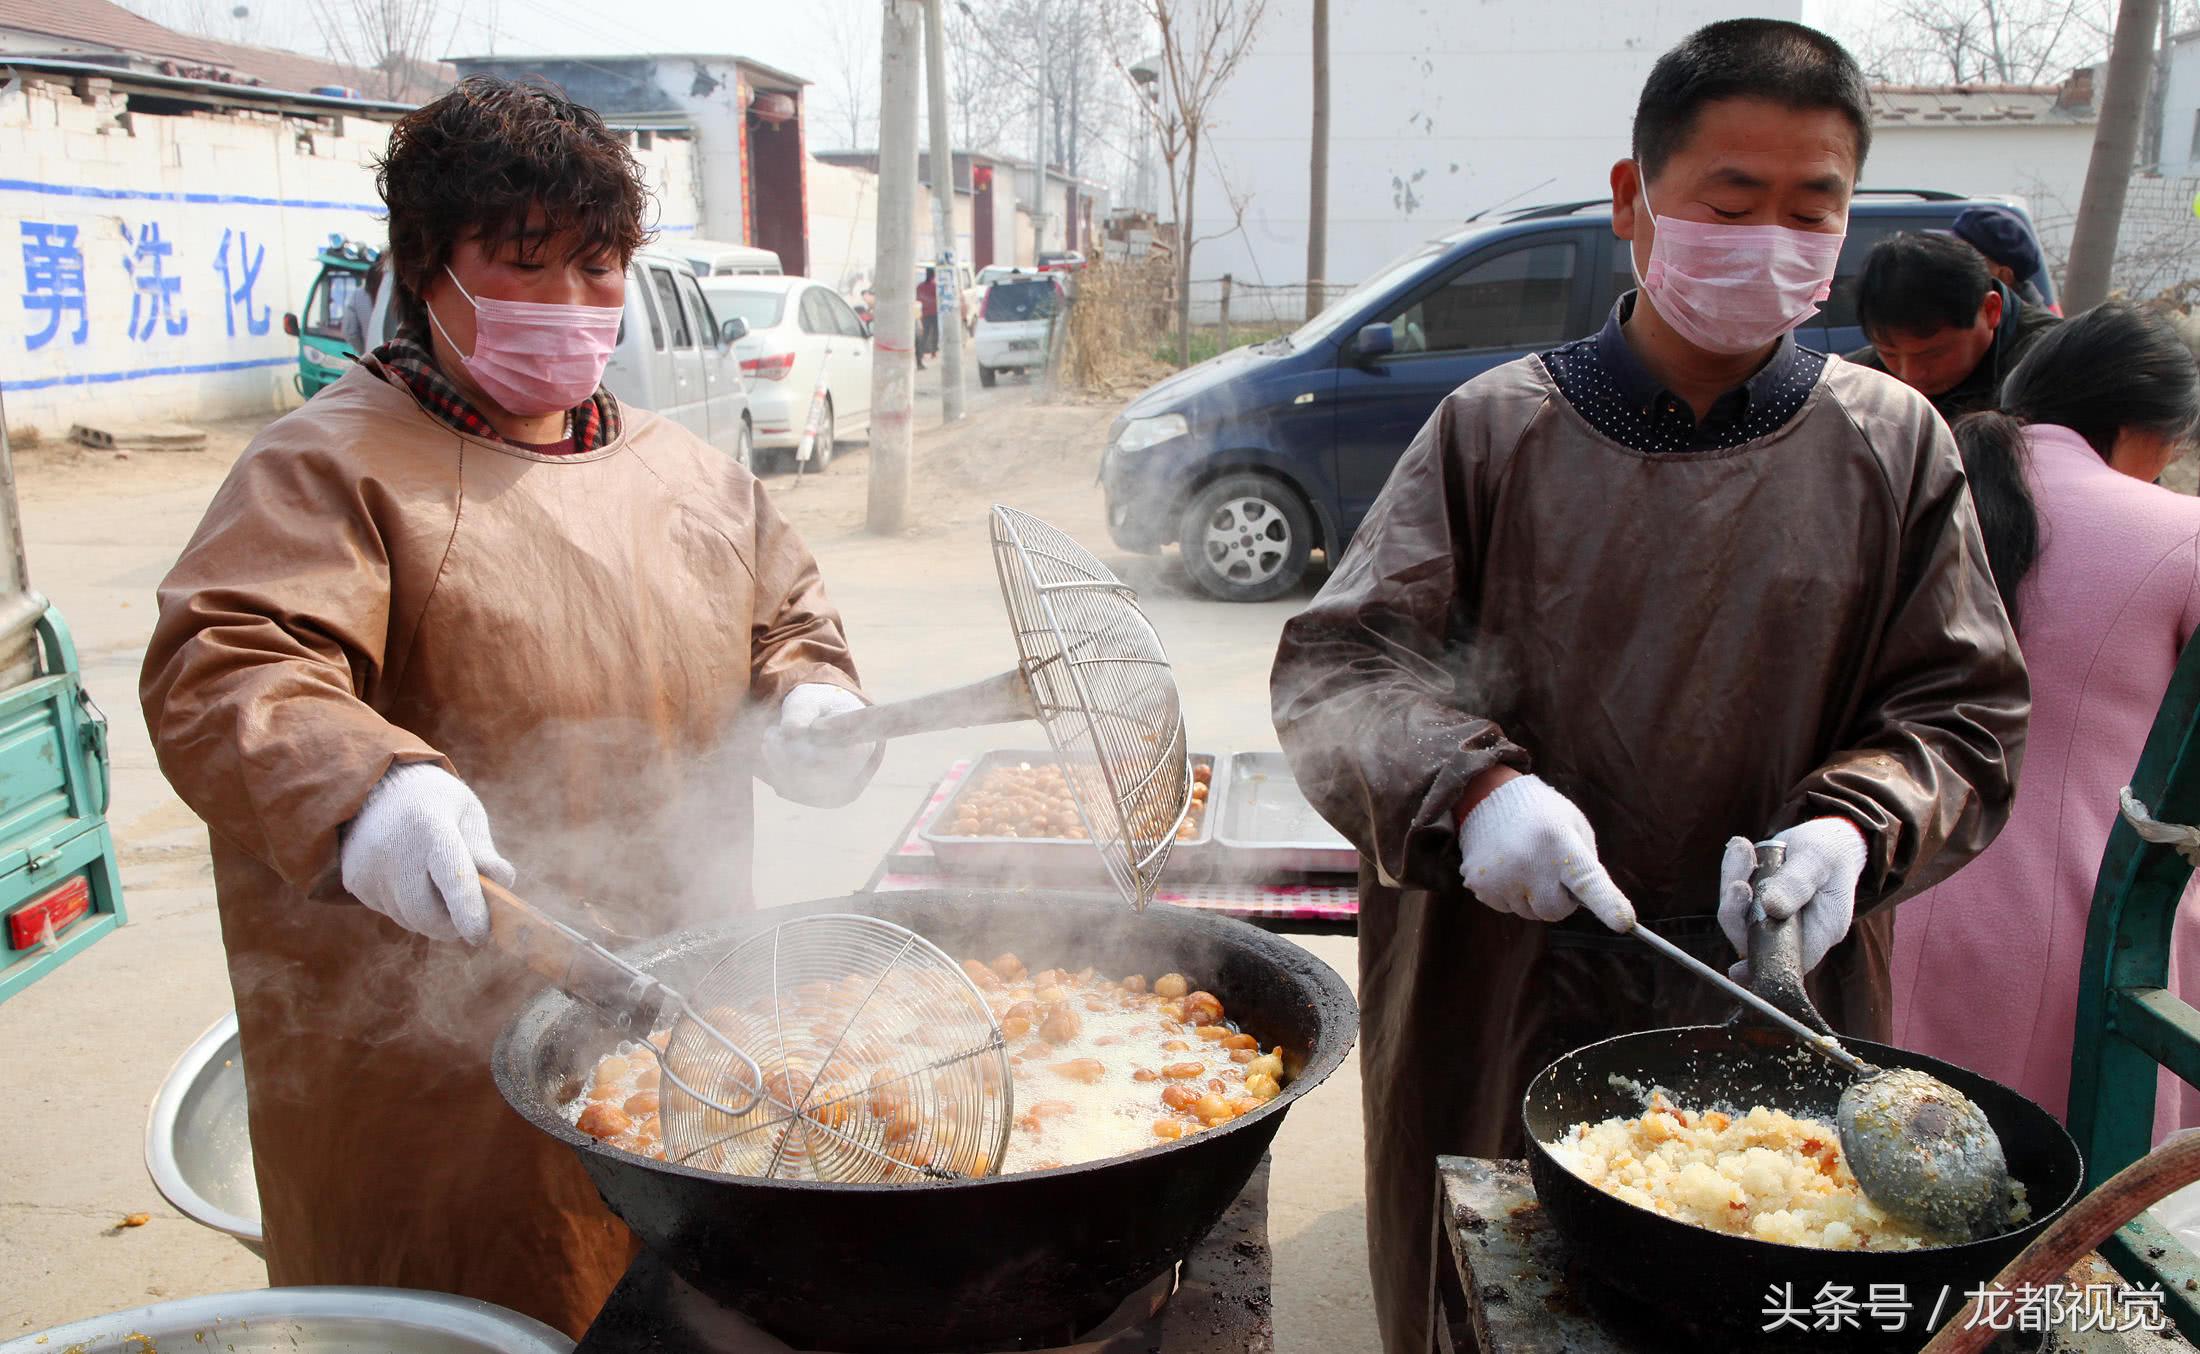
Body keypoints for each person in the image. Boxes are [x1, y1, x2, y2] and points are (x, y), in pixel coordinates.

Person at [1268, 21, 2025, 1352]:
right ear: (1635, 201)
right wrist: (1477, 786)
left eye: (1813, 210)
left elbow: (1962, 711)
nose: (1771, 238)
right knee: (1494, 1303)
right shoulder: (1494, 428)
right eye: (1731, 202)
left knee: (1772, 1269)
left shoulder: (1892, 444)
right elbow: (1343, 668)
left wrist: (1858, 825)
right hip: (1495, 978)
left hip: (1778, 985)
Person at [138, 77, 882, 1339]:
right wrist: (370, 787)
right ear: (430, 270)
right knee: (469, 1318)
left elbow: (785, 623)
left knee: (688, 1311)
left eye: (600, 272)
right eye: (527, 269)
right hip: (429, 1086)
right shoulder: (328, 466)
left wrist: (809, 696)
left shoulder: (690, 475)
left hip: (679, 1028)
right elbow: (228, 662)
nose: (575, 309)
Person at [1894, 304, 2200, 1139]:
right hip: (2084, 916)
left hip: (1876, 878)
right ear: (2147, 429)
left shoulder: (1911, 489)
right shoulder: (2181, 534)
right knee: (2066, 1220)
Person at [1848, 230, 2061, 421]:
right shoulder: (1854, 379)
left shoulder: (2054, 364)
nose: (1911, 375)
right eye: (1890, 355)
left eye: (1933, 355)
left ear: (1990, 310)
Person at [1951, 203, 2057, 312]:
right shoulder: (1976, 313)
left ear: (2005, 276)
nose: (1953, 263)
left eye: (1966, 258)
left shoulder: (2032, 326)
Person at [339, 252, 385, 355]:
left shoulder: (357, 295)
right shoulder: (401, 293)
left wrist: (365, 352)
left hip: (372, 359)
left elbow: (350, 332)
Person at [917, 265, 940, 369]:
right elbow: (938, 299)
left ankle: (920, 354)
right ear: (934, 276)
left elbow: (918, 298)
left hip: (924, 313)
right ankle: (933, 352)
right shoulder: (935, 286)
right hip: (934, 313)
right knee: (935, 333)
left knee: (924, 335)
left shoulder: (920, 286)